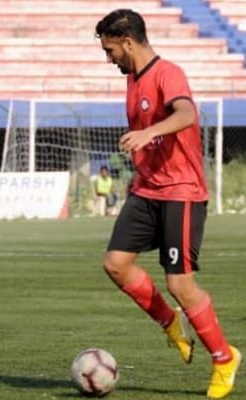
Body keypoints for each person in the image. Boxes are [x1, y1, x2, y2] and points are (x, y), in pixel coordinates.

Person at [96, 9, 240, 399]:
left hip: (181, 191)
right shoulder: (131, 78)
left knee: (179, 283)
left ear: (127, 42)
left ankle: (224, 358)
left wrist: (147, 134)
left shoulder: (168, 73)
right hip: (147, 189)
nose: (109, 59)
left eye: (110, 50)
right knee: (116, 264)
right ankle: (170, 325)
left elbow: (187, 113)